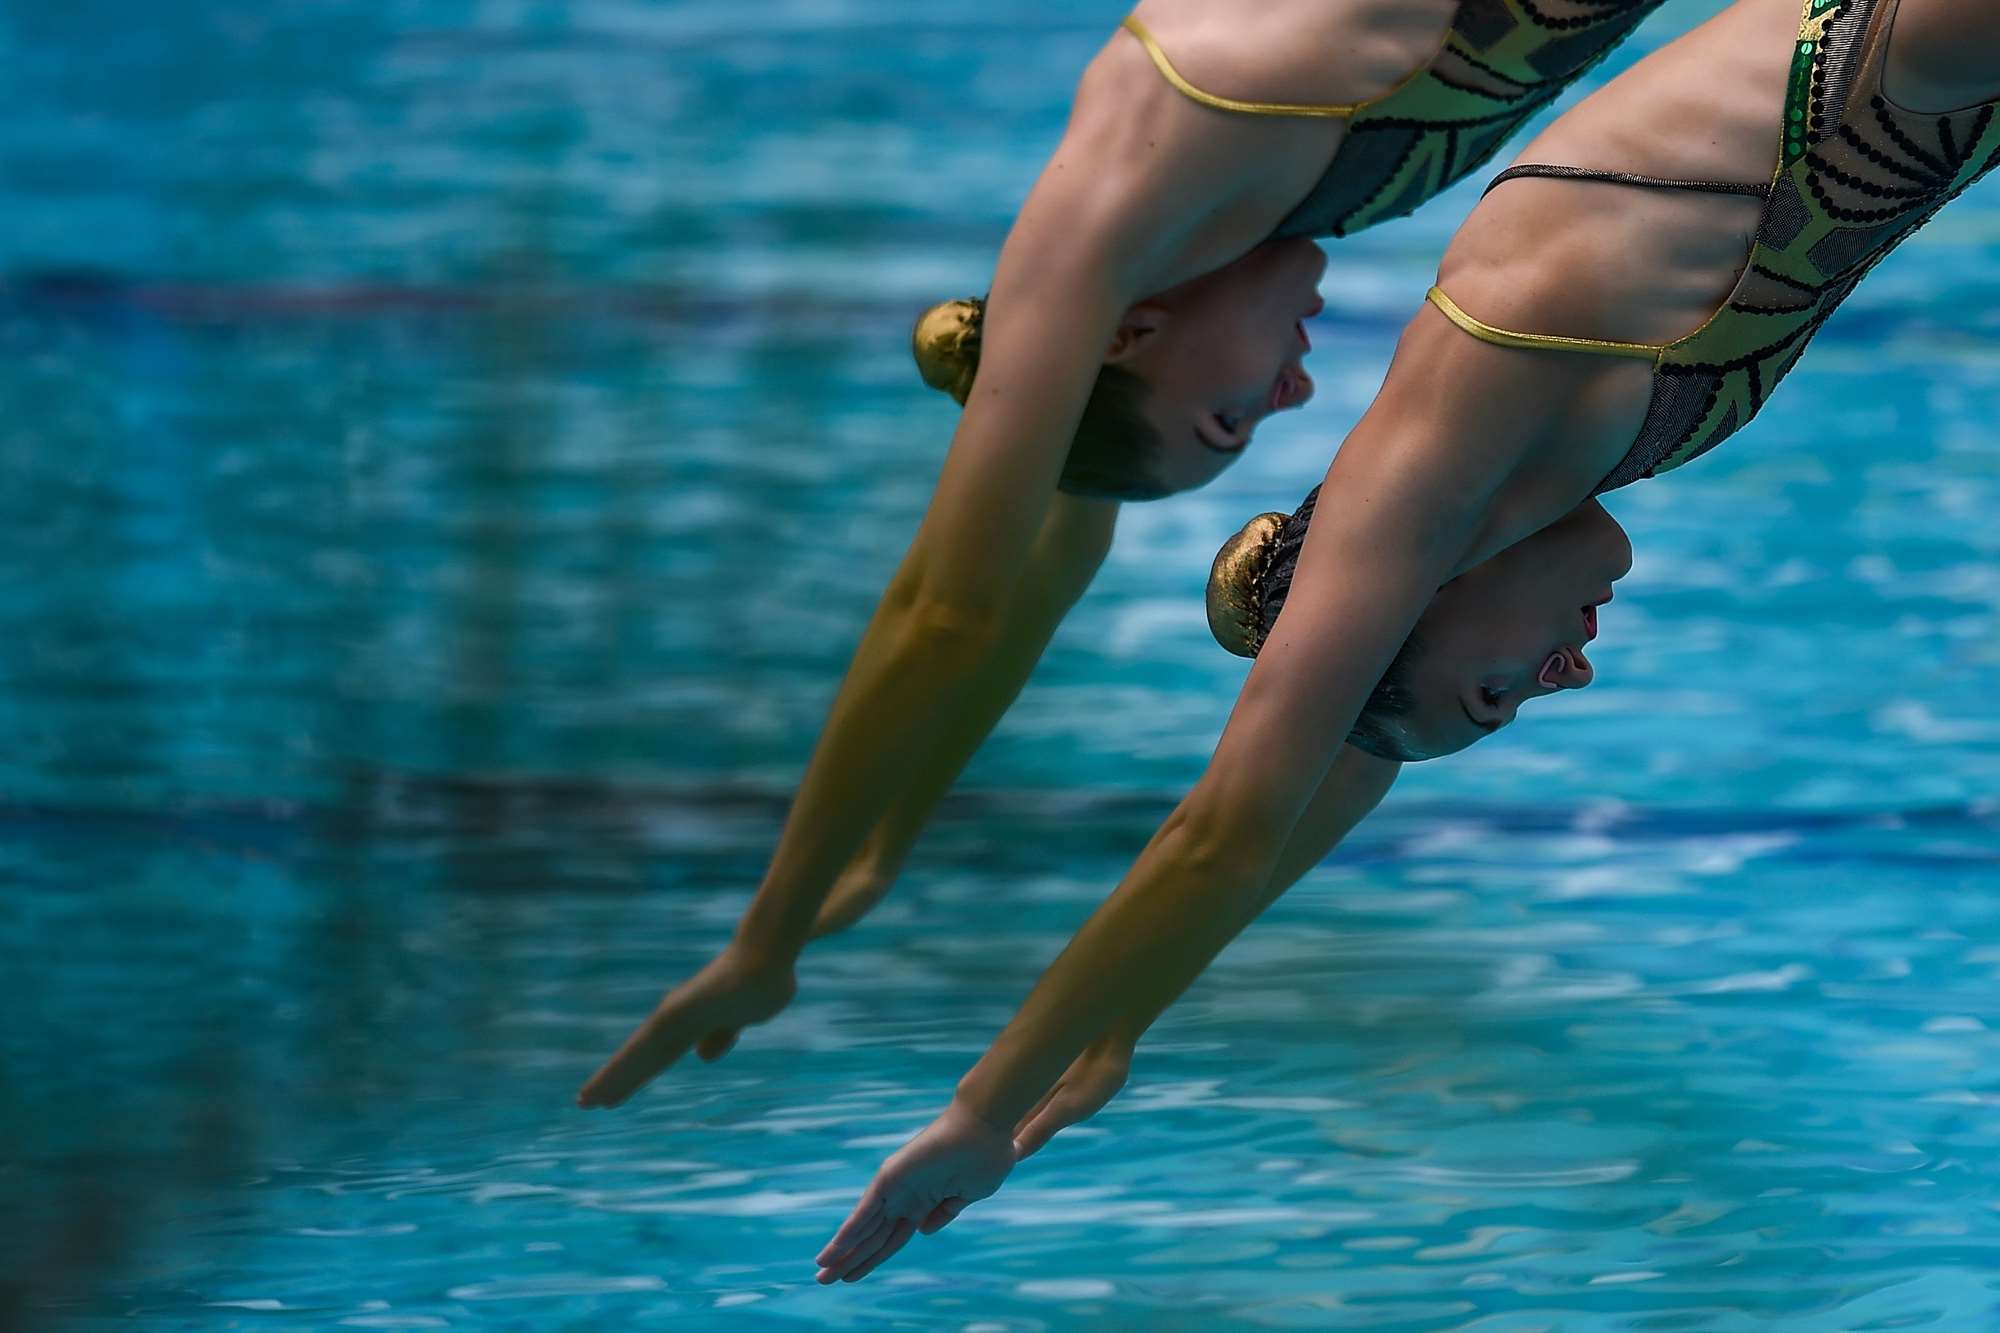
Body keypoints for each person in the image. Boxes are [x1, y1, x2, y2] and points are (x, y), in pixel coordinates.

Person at [814, 0, 2000, 1283]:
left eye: (1499, 692)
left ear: (1410, 604)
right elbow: (1332, 784)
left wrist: (983, 1109)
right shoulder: (1539, 471)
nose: (1567, 674)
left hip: (1894, 63)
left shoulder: (1445, 450)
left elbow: (1229, 824)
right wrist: (1119, 1023)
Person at [576, 0, 1666, 1110]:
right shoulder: (1240, 198)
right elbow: (1071, 569)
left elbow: (950, 609)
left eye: (1226, 421)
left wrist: (769, 935)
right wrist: (892, 853)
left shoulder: (1121, 195)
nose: (1295, 394)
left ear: (1125, 341)